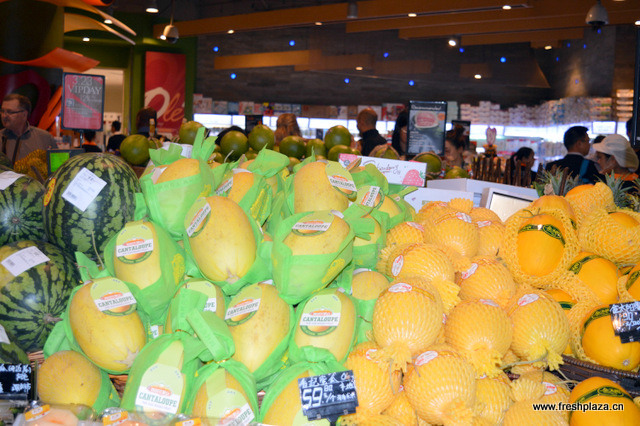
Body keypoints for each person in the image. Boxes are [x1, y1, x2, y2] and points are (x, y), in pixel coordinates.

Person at [0, 93, 57, 165]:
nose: (4, 116)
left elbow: (57, 166)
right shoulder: (1, 136)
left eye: (10, 112)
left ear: (24, 114)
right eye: (2, 111)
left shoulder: (45, 138)